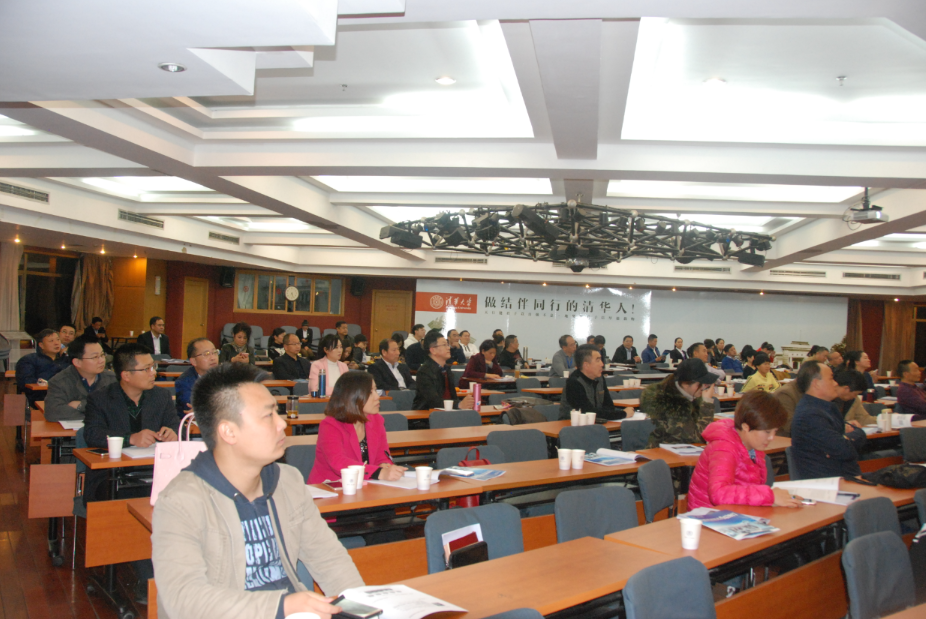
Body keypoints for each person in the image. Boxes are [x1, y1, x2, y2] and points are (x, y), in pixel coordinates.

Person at [152, 362, 364, 619]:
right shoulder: (181, 501)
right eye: (268, 416)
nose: (282, 423)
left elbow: (328, 558)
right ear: (229, 432)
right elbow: (184, 600)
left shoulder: (288, 481)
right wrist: (281, 607)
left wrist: (361, 609)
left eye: (277, 412)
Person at [84, 343, 178, 604]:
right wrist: (129, 438)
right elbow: (92, 434)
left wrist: (171, 432)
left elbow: (173, 423)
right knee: (135, 505)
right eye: (146, 369)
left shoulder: (160, 396)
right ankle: (148, 579)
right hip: (112, 476)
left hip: (154, 473)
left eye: (153, 367)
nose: (153, 373)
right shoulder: (101, 398)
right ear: (126, 375)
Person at [687, 391, 801, 510]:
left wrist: (774, 498)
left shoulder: (753, 446)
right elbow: (719, 494)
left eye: (775, 431)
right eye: (767, 432)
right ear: (746, 427)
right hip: (709, 515)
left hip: (736, 511)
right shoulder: (724, 448)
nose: (771, 437)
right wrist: (769, 496)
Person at [309, 371, 407, 484]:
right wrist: (379, 472)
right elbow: (338, 463)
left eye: (375, 390)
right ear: (353, 397)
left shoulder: (377, 420)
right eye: (370, 392)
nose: (377, 397)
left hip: (365, 485)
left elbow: (382, 454)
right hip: (330, 486)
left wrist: (385, 465)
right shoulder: (330, 425)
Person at [790, 361, 867, 478]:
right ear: (816, 383)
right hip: (830, 481)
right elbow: (844, 450)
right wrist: (858, 433)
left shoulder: (826, 407)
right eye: (831, 379)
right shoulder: (810, 415)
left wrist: (847, 437)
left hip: (845, 476)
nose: (836, 383)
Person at [641, 358, 718, 447]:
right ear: (686, 384)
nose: (704, 387)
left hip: (685, 449)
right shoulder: (669, 403)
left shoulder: (690, 395)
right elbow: (698, 437)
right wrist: (707, 403)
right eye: (700, 384)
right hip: (662, 451)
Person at [45, 337, 116, 422]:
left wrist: (81, 405)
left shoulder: (113, 379)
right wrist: (98, 414)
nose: (102, 360)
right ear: (77, 362)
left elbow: (121, 406)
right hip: (70, 430)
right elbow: (53, 412)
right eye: (95, 357)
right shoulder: (59, 381)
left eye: (102, 355)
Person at [559, 344, 629, 421]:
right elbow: (588, 412)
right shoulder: (574, 382)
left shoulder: (599, 378)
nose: (602, 364)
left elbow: (609, 407)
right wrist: (623, 414)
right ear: (586, 365)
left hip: (597, 422)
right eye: (598, 360)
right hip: (572, 424)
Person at [412, 331, 475, 411]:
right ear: (433, 350)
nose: (448, 348)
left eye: (447, 344)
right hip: (427, 414)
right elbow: (433, 401)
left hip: (448, 412)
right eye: (444, 345)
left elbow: (453, 396)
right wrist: (459, 404)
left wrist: (462, 404)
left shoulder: (446, 369)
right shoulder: (424, 371)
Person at [16, 328, 69, 401]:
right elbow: (26, 382)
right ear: (41, 345)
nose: (56, 343)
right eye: (51, 341)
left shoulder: (66, 360)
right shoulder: (29, 360)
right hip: (41, 398)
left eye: (58, 340)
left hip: (66, 399)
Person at [175, 338, 219, 418]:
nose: (213, 358)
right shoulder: (184, 382)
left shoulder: (225, 376)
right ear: (194, 361)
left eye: (215, 352)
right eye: (207, 354)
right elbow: (192, 407)